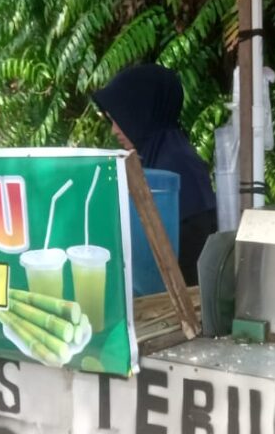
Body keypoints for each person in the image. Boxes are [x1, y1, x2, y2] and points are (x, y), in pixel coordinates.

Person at [93, 64, 217, 286]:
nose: (114, 130)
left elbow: (186, 262)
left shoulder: (176, 165)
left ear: (139, 113)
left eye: (119, 119)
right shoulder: (161, 154)